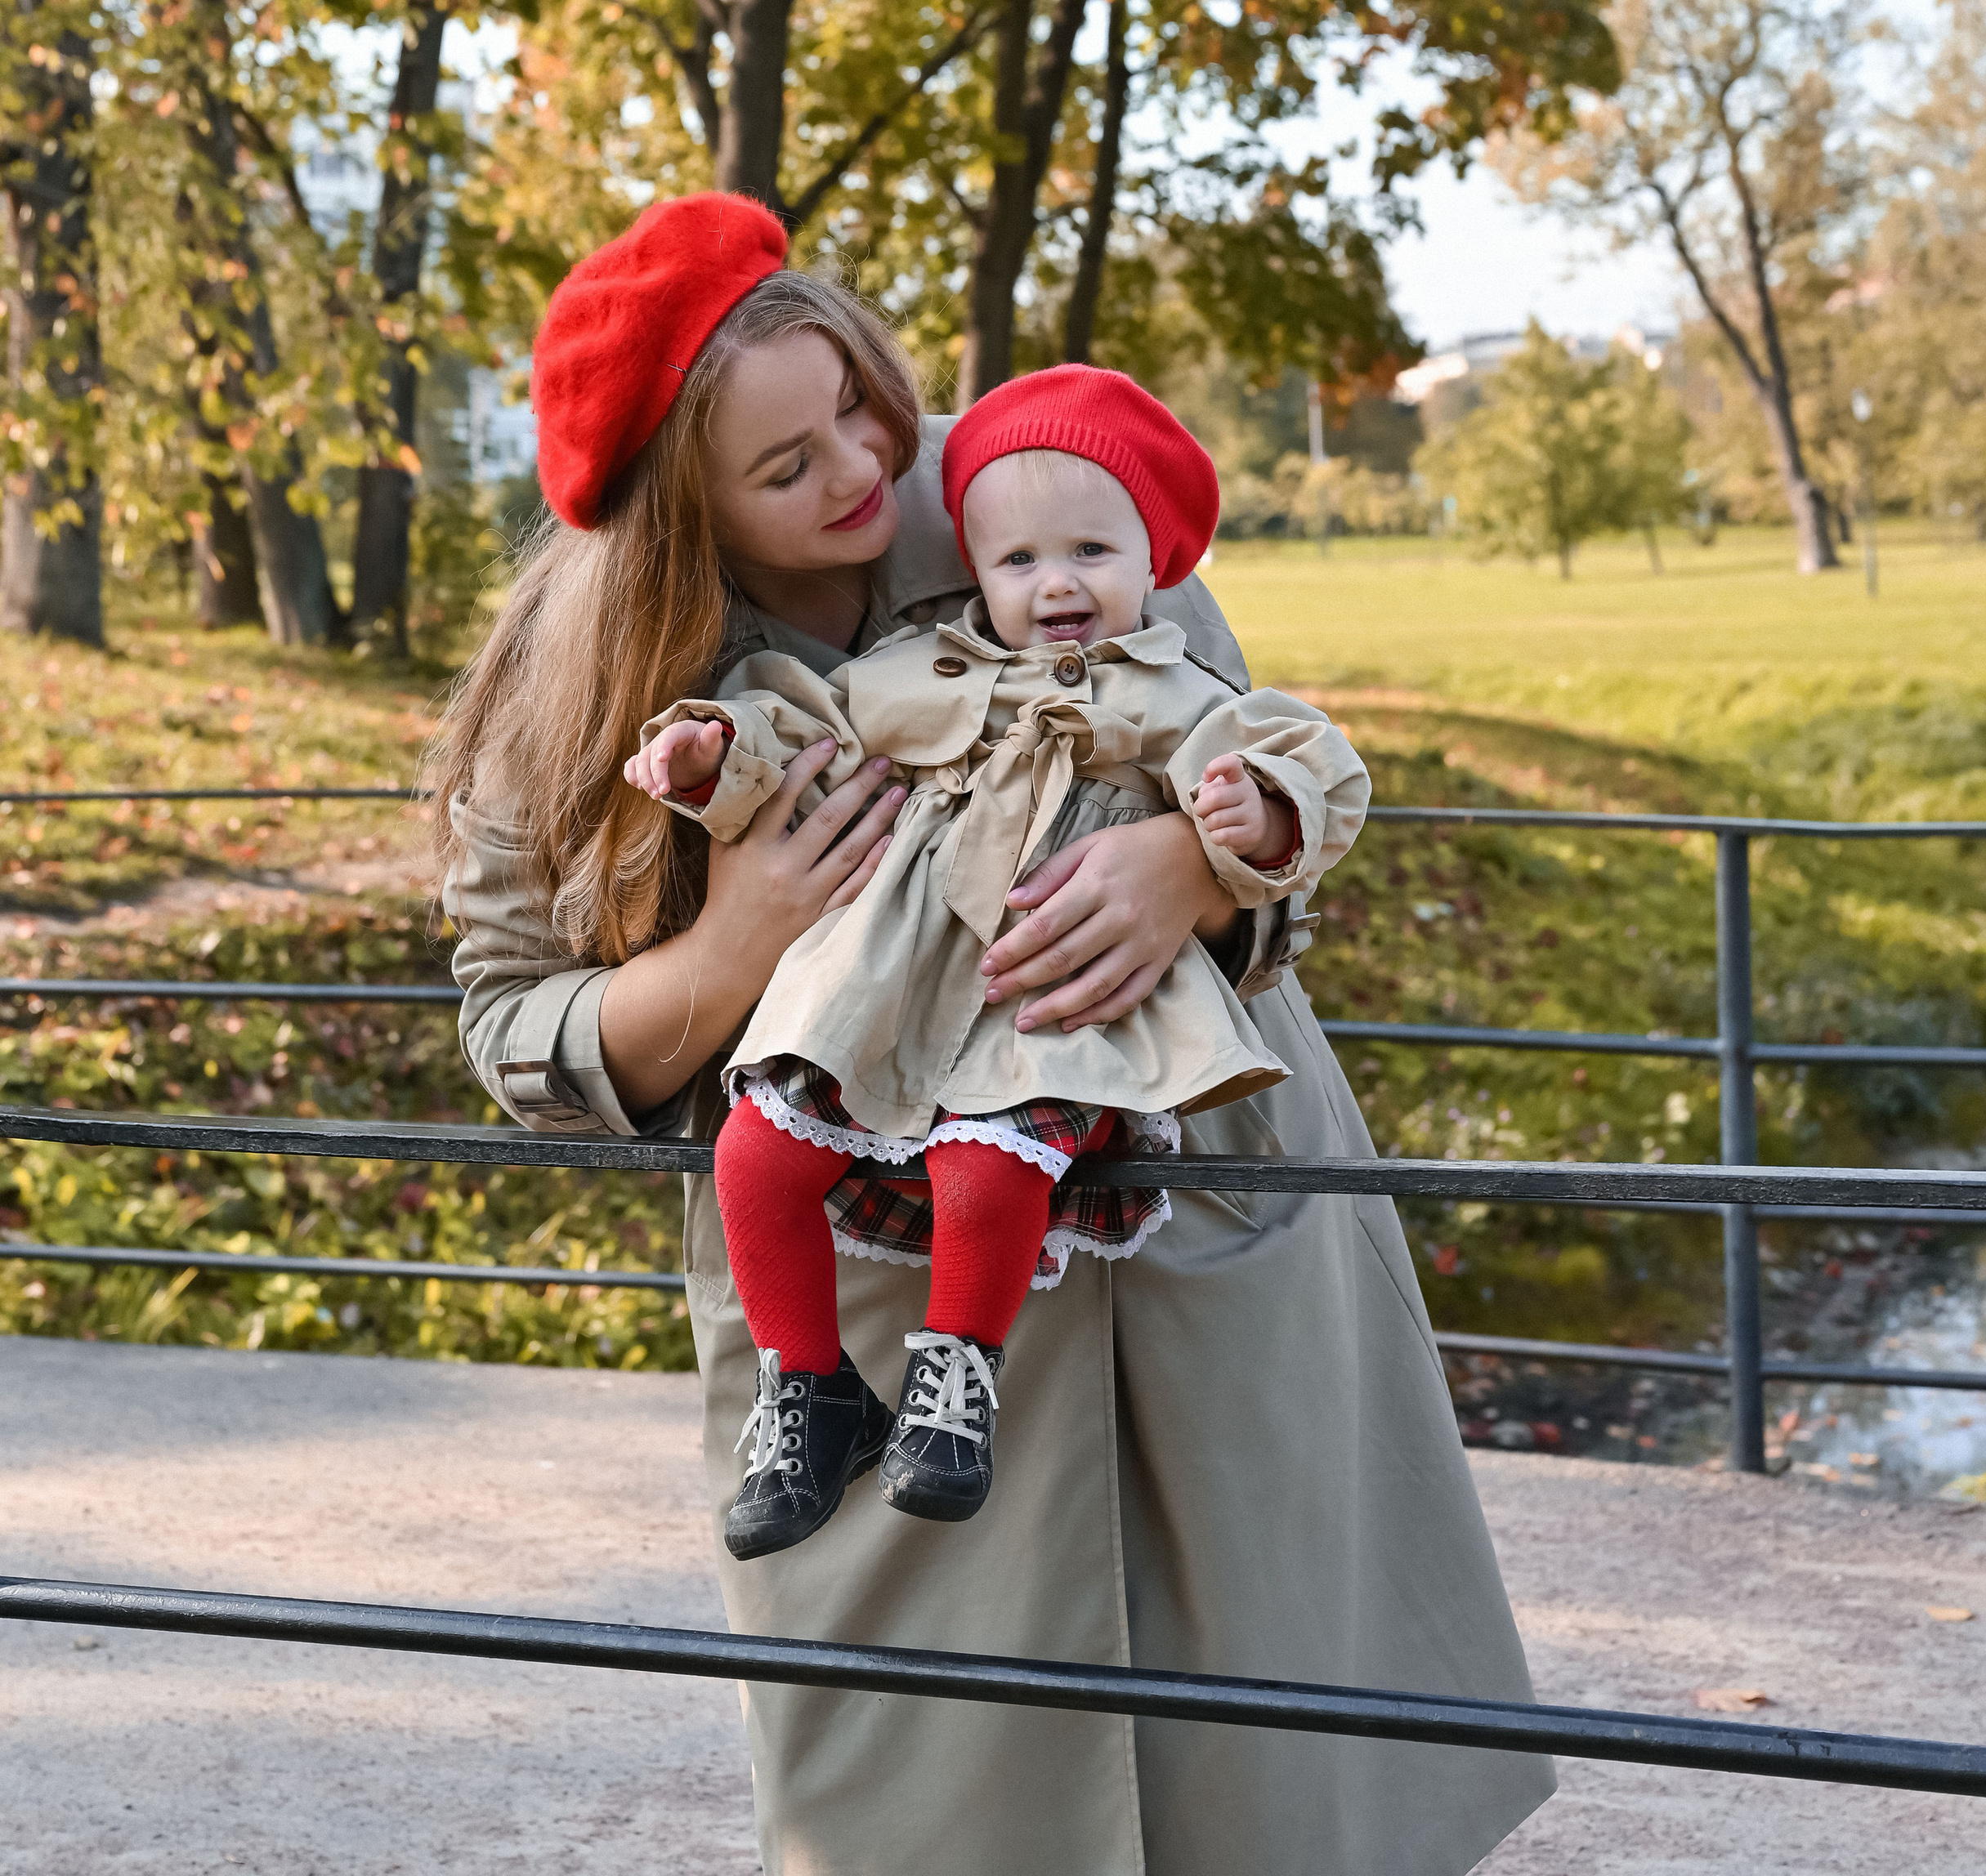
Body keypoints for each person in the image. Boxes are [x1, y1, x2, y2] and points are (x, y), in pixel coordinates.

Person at [436, 190, 1552, 1876]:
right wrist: (733, 947)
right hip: (869, 1280)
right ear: (683, 515)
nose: (863, 469)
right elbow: (514, 1021)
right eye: (786, 463)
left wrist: (1193, 871)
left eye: (857, 403)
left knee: (1272, 1760)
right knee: (926, 1795)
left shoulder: (1036, 482)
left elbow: (1263, 771)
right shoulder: (573, 682)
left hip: (1190, 1201)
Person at [626, 365, 1371, 1556]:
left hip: (1048, 996)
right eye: (1018, 560)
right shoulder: (923, 672)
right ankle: (808, 1387)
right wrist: (716, 753)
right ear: (974, 568)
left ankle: (954, 1385)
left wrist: (1251, 818)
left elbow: (1308, 765)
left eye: (1091, 551)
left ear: (1154, 557)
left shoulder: (1178, 695)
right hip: (887, 987)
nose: (1057, 583)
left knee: (991, 1169)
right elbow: (805, 724)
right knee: (755, 1155)